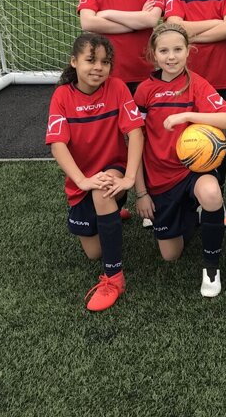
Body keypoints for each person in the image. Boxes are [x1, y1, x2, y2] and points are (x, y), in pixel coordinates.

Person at [132, 24, 226, 297]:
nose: (171, 56)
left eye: (178, 50)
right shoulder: (144, 91)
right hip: (159, 179)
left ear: (188, 52)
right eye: (164, 50)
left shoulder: (197, 83)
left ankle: (211, 269)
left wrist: (186, 117)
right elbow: (136, 143)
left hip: (192, 172)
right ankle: (190, 214)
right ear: (153, 54)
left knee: (212, 193)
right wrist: (141, 193)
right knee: (171, 255)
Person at [45, 33, 144, 312]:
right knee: (93, 252)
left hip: (114, 171)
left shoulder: (118, 88)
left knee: (103, 190)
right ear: (74, 62)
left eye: (105, 62)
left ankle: (114, 278)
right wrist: (82, 180)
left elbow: (136, 134)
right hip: (82, 182)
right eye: (91, 60)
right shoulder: (62, 96)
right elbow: (57, 144)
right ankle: (111, 213)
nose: (98, 67)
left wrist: (128, 179)